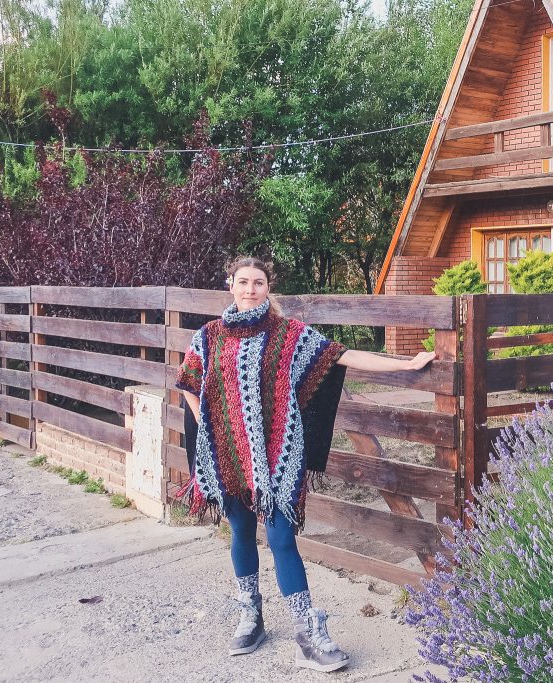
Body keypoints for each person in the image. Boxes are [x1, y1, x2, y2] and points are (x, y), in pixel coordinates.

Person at [175, 256, 435, 673]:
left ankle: (306, 633)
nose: (250, 289)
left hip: (277, 457)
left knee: (281, 538)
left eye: (258, 283)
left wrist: (405, 363)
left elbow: (342, 356)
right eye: (243, 282)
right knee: (240, 531)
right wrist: (210, 425)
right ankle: (251, 617)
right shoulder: (207, 338)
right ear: (230, 285)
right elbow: (188, 382)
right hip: (226, 455)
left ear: (267, 288)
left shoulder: (288, 335)